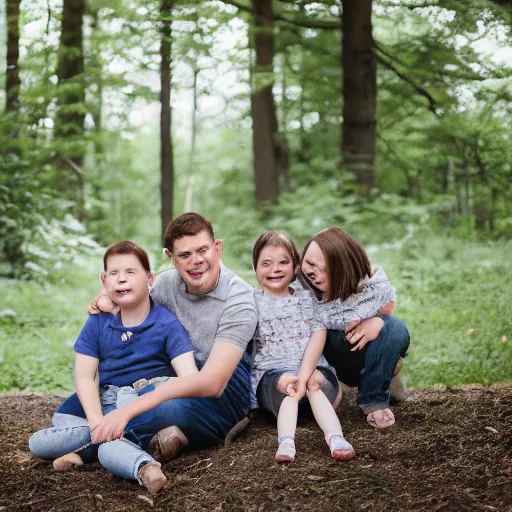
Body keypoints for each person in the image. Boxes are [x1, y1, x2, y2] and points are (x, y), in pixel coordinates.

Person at [52, 213, 258, 465]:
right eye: (184, 255)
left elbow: (212, 383)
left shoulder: (239, 299)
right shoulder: (166, 285)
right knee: (75, 406)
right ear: (170, 258)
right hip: (172, 378)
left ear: (218, 248)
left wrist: (129, 409)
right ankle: (159, 436)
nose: (196, 262)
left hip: (219, 391)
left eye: (202, 250)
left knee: (164, 408)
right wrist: (106, 298)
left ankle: (88, 447)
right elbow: (131, 290)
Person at [29, 241, 198, 494]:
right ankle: (101, 442)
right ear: (103, 280)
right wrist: (98, 422)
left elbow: (189, 378)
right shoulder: (98, 322)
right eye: (114, 274)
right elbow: (85, 377)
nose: (121, 280)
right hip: (107, 400)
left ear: (149, 278)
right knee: (38, 443)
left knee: (110, 447)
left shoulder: (166, 324)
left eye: (130, 272)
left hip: (145, 402)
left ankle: (142, 465)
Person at [251, 230, 355, 463]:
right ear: (255, 268)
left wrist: (305, 375)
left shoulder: (306, 299)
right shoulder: (251, 303)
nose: (274, 269)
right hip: (273, 381)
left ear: (296, 267)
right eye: (266, 263)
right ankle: (286, 442)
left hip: (312, 373)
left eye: (283, 262)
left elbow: (319, 333)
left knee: (314, 382)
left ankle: (336, 438)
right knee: (287, 383)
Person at [301, 227, 410, 429]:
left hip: (362, 354)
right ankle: (334, 387)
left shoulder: (368, 287)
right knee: (321, 332)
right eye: (309, 263)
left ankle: (374, 396)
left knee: (396, 328)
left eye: (324, 269)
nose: (313, 273)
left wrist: (376, 321)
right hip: (326, 359)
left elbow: (387, 306)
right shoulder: (301, 287)